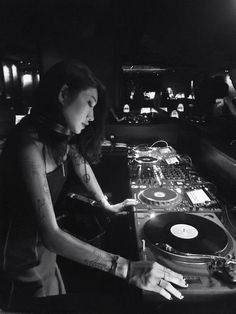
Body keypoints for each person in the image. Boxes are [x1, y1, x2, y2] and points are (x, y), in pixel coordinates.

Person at [0, 60, 187, 310]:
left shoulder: (58, 134)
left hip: (45, 253)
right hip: (20, 261)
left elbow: (80, 164)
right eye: (89, 104)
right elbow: (51, 234)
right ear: (64, 94)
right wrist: (127, 268)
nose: (91, 117)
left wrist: (106, 204)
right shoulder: (27, 145)